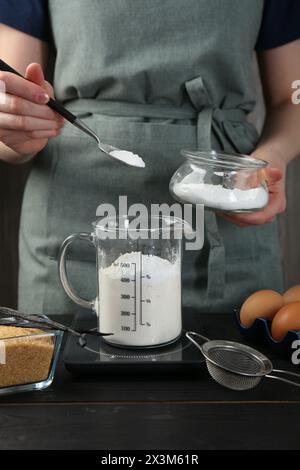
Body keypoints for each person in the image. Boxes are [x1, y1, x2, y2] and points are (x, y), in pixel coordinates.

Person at [0, 0, 300, 316]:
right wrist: (16, 126)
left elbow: (292, 96)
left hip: (226, 230)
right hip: (74, 234)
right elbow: (13, 101)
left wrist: (271, 158)